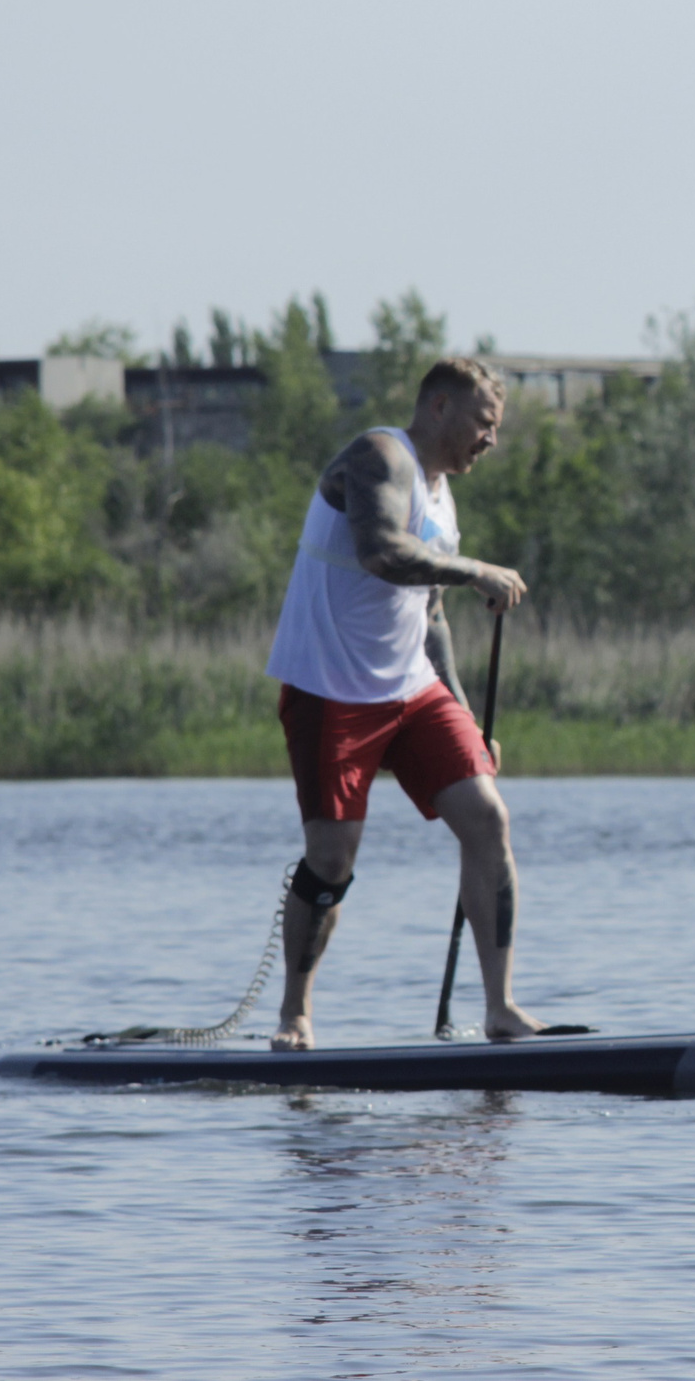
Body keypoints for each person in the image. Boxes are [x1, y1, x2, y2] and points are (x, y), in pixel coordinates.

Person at [262, 355, 551, 1051]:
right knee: (331, 857)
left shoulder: (445, 494)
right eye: (484, 422)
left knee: (487, 817)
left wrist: (466, 719)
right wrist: (477, 567)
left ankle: (502, 1008)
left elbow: (432, 616)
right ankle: (294, 1013)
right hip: (331, 688)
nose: (490, 439)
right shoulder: (379, 455)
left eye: (496, 427)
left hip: (410, 688)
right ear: (441, 407)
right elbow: (383, 553)